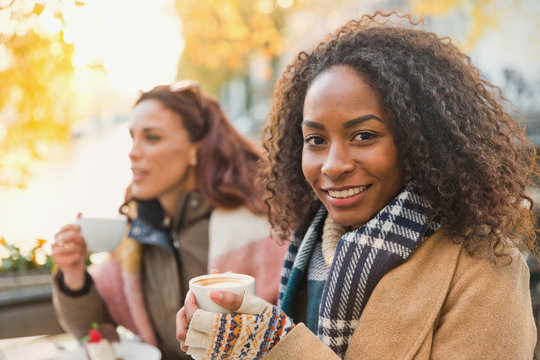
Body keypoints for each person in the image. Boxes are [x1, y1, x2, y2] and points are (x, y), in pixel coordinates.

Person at [176, 11, 538, 359]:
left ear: (418, 140)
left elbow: (284, 346)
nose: (333, 166)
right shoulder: (308, 251)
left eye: (364, 136)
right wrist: (228, 340)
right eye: (315, 140)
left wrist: (272, 345)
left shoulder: (484, 268)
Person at [51, 81, 287, 360]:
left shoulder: (255, 229)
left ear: (194, 150)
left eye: (151, 137)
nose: (132, 152)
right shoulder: (137, 232)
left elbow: (287, 333)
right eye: (132, 137)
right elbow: (92, 329)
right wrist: (73, 274)